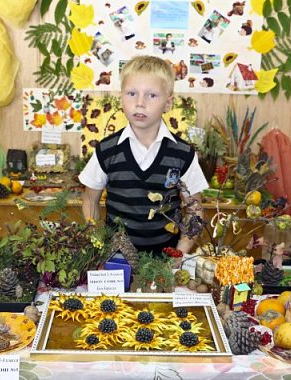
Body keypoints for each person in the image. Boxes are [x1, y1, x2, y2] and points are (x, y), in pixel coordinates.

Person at [79, 55, 208, 255]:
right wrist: (97, 243)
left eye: (151, 95)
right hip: (115, 260)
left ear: (168, 103)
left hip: (165, 264)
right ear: (121, 98)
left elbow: (195, 210)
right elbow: (89, 200)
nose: (140, 103)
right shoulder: (106, 150)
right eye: (131, 93)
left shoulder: (184, 154)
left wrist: (180, 252)